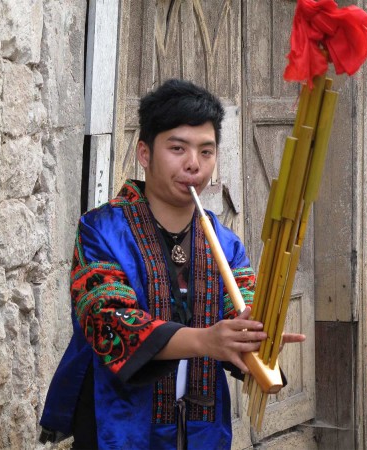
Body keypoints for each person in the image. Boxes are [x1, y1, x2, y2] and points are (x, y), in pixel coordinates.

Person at [39, 79, 305, 449]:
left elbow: (240, 308)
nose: (193, 164)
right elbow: (109, 322)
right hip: (118, 421)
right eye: (178, 148)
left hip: (201, 426)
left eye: (206, 152)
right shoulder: (100, 230)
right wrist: (205, 340)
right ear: (145, 153)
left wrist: (258, 332)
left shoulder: (225, 244)